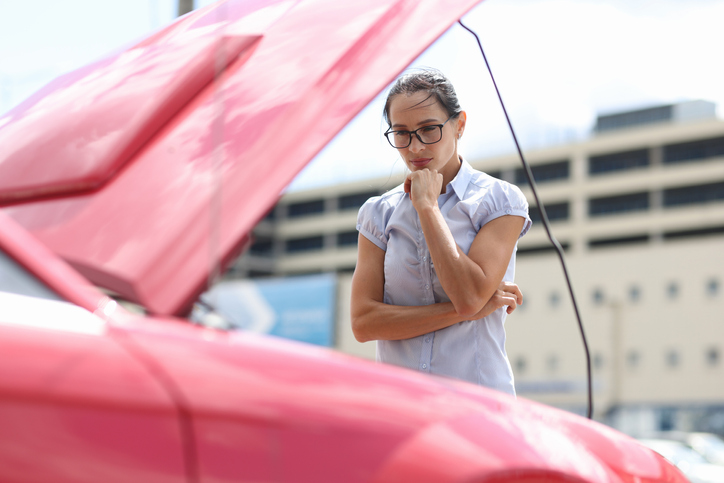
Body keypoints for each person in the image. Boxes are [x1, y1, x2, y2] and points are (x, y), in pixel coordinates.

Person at [350, 69, 531, 396]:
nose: (415, 147)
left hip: (476, 403)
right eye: (402, 133)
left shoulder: (499, 200)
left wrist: (428, 208)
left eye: (428, 130)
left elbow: (469, 296)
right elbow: (364, 323)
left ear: (459, 125)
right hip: (400, 406)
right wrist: (467, 310)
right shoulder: (378, 213)